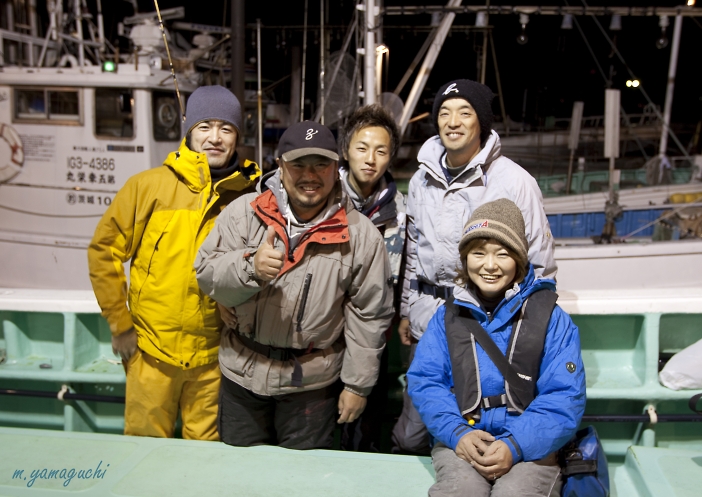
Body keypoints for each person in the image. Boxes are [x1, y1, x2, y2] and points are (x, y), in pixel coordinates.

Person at [194, 120, 394, 449]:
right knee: (237, 477)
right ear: (280, 165)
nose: (310, 175)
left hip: (311, 387)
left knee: (302, 481)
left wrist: (357, 386)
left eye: (321, 165)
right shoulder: (243, 212)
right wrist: (250, 267)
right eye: (298, 164)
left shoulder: (361, 235)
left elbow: (369, 315)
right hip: (241, 376)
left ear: (336, 167)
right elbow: (207, 274)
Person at [392, 78, 558, 455]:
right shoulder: (420, 180)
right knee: (413, 432)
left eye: (464, 113)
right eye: (444, 113)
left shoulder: (515, 182)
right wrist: (406, 308)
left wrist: (529, 324)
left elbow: (541, 264)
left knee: (482, 419)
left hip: (489, 321)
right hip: (428, 316)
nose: (453, 121)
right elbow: (415, 250)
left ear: (481, 122)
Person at [88, 85, 261, 440]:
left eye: (226, 128)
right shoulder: (146, 187)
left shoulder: (251, 195)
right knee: (143, 454)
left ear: (237, 137)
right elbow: (103, 250)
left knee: (204, 461)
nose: (215, 138)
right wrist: (120, 325)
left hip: (217, 355)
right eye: (205, 126)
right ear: (189, 131)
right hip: (151, 352)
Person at [407, 198, 586, 497]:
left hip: (531, 445)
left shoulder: (551, 318)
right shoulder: (446, 316)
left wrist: (515, 445)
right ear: (466, 259)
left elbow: (565, 396)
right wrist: (457, 433)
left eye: (502, 254)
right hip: (462, 439)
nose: (489, 265)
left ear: (519, 260)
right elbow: (426, 381)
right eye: (478, 253)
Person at [337, 104, 406, 452]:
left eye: (381, 151)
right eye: (362, 148)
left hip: (374, 333)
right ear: (346, 150)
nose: (370, 159)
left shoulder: (401, 211)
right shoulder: (322, 198)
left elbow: (410, 267)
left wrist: (404, 311)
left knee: (367, 429)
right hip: (324, 336)